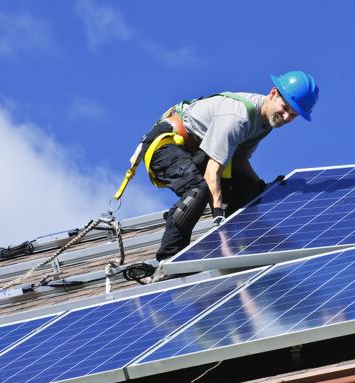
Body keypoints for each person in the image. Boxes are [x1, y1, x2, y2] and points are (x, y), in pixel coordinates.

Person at [124, 71, 319, 263]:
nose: (285, 117)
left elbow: (239, 160)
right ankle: (170, 259)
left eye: (292, 116)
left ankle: (243, 248)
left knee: (250, 192)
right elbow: (212, 173)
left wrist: (260, 187)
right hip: (167, 144)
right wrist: (218, 217)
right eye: (285, 108)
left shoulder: (265, 124)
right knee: (197, 190)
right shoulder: (238, 117)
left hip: (197, 153)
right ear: (273, 93)